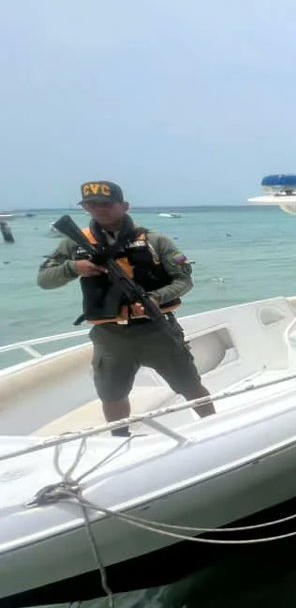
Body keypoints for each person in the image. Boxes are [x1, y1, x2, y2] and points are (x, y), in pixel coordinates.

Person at [37, 180, 215, 437]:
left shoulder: (155, 241)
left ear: (124, 205)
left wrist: (155, 298)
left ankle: (213, 428)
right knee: (112, 394)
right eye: (91, 205)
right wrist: (73, 268)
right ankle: (120, 440)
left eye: (106, 204)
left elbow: (184, 279)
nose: (99, 209)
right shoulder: (74, 243)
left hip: (157, 329)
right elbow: (44, 280)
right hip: (110, 335)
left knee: (190, 386)